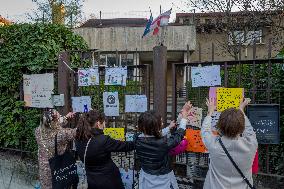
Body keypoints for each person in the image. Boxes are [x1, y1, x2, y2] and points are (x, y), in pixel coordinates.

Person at [201, 98, 258, 189]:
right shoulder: (251, 144)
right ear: (242, 127)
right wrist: (241, 110)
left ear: (219, 126)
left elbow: (205, 131)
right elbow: (249, 129)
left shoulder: (213, 144)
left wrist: (210, 112)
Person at [134, 102, 191, 189]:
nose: (162, 124)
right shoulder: (163, 143)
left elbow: (151, 135)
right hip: (163, 179)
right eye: (160, 122)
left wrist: (169, 128)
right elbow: (177, 137)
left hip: (146, 176)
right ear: (155, 127)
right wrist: (184, 118)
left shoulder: (137, 139)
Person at [75, 110, 134, 189]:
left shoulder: (79, 139)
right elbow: (125, 146)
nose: (105, 125)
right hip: (109, 181)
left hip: (92, 180)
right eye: (104, 123)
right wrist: (138, 140)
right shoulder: (103, 140)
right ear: (99, 123)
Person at [35, 109, 76, 189]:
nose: (61, 116)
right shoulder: (61, 134)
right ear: (55, 121)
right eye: (59, 115)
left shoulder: (38, 130)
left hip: (44, 170)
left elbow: (52, 124)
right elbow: (78, 131)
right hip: (58, 169)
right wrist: (85, 118)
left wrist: (65, 118)